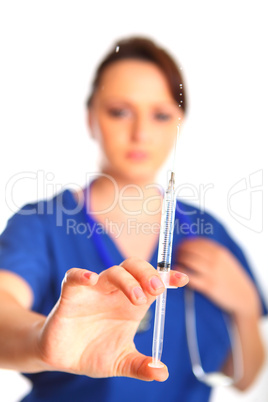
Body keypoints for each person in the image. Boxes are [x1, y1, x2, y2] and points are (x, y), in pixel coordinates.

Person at [0, 36, 266, 402]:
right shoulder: (43, 224)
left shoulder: (207, 233)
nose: (141, 132)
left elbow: (243, 379)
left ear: (179, 123)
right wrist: (42, 338)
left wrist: (246, 304)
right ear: (91, 117)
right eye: (120, 111)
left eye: (160, 115)